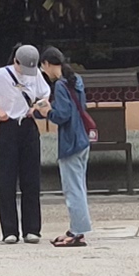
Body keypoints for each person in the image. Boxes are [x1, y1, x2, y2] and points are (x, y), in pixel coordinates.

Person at [0, 42, 50, 243]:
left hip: (28, 126)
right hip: (8, 126)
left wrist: (36, 108)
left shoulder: (34, 74)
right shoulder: (1, 75)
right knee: (6, 180)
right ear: (16, 61)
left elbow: (45, 93)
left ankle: (32, 229)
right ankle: (9, 231)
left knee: (31, 179)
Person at [45, 50, 96, 246]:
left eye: (43, 67)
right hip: (82, 138)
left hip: (70, 142)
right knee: (79, 187)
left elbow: (62, 115)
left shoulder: (60, 85)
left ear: (48, 64)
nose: (44, 71)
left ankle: (77, 232)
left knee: (72, 189)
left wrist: (47, 111)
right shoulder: (76, 80)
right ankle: (77, 228)